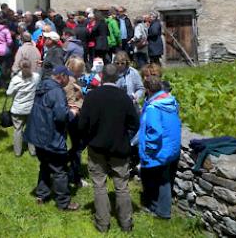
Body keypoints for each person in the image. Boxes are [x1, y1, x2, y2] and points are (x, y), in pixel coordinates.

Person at [78, 64, 140, 232]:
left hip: (97, 147)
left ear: (102, 77)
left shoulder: (92, 97)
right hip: (119, 147)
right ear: (117, 78)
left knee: (99, 185)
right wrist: (124, 135)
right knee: (122, 185)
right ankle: (126, 223)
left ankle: (103, 224)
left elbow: (82, 124)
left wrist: (88, 137)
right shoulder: (124, 98)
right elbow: (135, 123)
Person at [24, 66, 80, 211]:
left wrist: (64, 107)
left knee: (44, 164)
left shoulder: (42, 85)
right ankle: (63, 203)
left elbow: (48, 108)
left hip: (37, 135)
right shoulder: (57, 91)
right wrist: (72, 112)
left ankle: (41, 194)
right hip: (51, 137)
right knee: (59, 170)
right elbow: (61, 117)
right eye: (67, 78)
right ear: (61, 76)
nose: (68, 81)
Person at [139, 74, 181, 219]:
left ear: (148, 90)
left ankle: (160, 210)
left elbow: (154, 131)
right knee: (163, 178)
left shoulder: (153, 108)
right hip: (171, 147)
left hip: (158, 150)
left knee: (157, 179)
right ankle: (160, 207)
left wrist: (148, 150)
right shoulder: (171, 101)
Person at [7, 59, 40, 157]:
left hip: (18, 109)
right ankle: (33, 151)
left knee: (18, 130)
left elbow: (8, 93)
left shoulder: (16, 79)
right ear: (30, 66)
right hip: (31, 109)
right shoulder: (36, 77)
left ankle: (17, 152)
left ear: (20, 67)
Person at [64, 56, 87, 187]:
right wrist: (82, 100)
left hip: (71, 118)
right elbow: (72, 103)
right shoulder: (70, 82)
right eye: (80, 70)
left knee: (77, 147)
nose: (82, 72)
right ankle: (75, 177)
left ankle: (66, 165)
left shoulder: (70, 79)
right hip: (73, 119)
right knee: (78, 147)